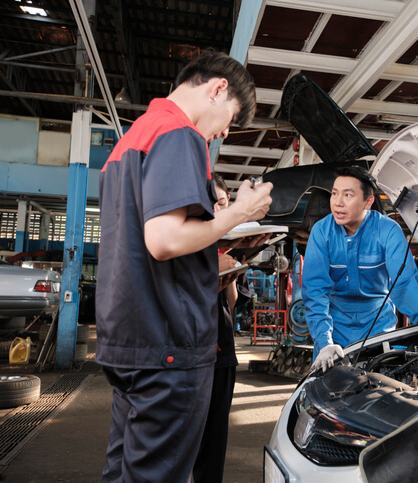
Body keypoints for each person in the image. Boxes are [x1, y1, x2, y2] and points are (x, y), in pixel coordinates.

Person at [95, 50, 273, 482]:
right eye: (230, 118)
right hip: (168, 344)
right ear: (217, 89)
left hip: (130, 339)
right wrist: (238, 213)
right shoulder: (179, 134)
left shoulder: (132, 138)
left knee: (126, 472)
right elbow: (165, 239)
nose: (224, 132)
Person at [302, 166, 418, 373]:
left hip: (378, 330)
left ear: (367, 202)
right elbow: (315, 291)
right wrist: (324, 341)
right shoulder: (321, 232)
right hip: (334, 330)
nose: (337, 202)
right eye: (334, 194)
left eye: (348, 195)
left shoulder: (388, 231)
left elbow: (405, 287)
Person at [192, 174, 252, 483]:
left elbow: (231, 305)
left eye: (223, 203)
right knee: (186, 435)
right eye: (211, 203)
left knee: (215, 436)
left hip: (222, 350)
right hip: (189, 352)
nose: (218, 209)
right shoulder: (184, 244)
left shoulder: (230, 249)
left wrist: (227, 276)